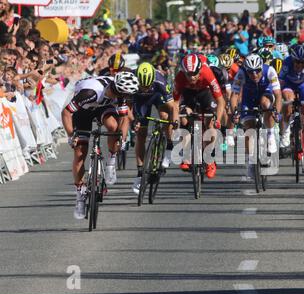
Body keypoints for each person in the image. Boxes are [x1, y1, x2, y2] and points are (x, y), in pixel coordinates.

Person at [61, 72, 139, 219]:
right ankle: (79, 195)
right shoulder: (90, 93)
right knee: (80, 153)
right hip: (83, 111)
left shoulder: (121, 94)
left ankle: (111, 161)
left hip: (103, 107)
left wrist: (121, 139)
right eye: (121, 94)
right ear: (115, 88)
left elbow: (124, 118)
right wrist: (71, 135)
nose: (123, 98)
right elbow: (66, 113)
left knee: (113, 126)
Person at [173, 53, 226, 179]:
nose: (191, 78)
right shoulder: (180, 77)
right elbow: (174, 102)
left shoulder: (207, 73)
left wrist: (217, 120)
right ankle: (186, 155)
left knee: (210, 125)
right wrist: (175, 119)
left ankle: (209, 160)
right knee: (184, 119)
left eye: (194, 74)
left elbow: (220, 101)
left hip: (205, 92)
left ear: (199, 70)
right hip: (188, 93)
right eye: (188, 75)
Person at [230, 54, 282, 181]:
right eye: (251, 72)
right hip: (249, 96)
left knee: (266, 105)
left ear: (261, 68)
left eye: (257, 71)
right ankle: (251, 162)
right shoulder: (241, 73)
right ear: (246, 70)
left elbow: (278, 95)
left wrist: (276, 112)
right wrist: (234, 113)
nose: (254, 75)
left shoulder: (269, 70)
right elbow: (234, 95)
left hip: (266, 92)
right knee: (249, 129)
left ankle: (270, 135)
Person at [131, 62, 179, 194]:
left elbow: (173, 107)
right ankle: (140, 173)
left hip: (157, 96)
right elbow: (127, 104)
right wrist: (133, 121)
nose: (145, 88)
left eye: (148, 85)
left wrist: (174, 122)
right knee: (141, 134)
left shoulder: (160, 81)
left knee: (165, 115)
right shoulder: (131, 78)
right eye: (142, 85)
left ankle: (169, 145)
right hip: (139, 101)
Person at [279, 44, 304, 172]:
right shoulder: (286, 63)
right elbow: (279, 84)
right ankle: (285, 131)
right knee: (288, 99)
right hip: (289, 85)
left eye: (303, 62)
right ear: (292, 59)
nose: (300, 65)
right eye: (297, 62)